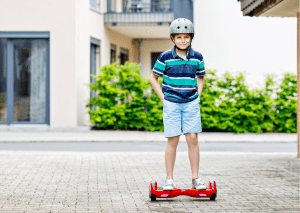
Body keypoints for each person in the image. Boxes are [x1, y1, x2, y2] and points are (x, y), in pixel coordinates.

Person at [150, 18, 206, 190]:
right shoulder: (165, 57)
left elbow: (201, 77)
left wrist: (198, 96)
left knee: (192, 138)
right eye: (179, 37)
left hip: (190, 102)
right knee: (173, 139)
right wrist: (162, 97)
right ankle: (169, 179)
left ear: (191, 37)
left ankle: (195, 178)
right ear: (173, 38)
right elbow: (154, 77)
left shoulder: (197, 57)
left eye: (186, 37)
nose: (183, 40)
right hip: (172, 102)